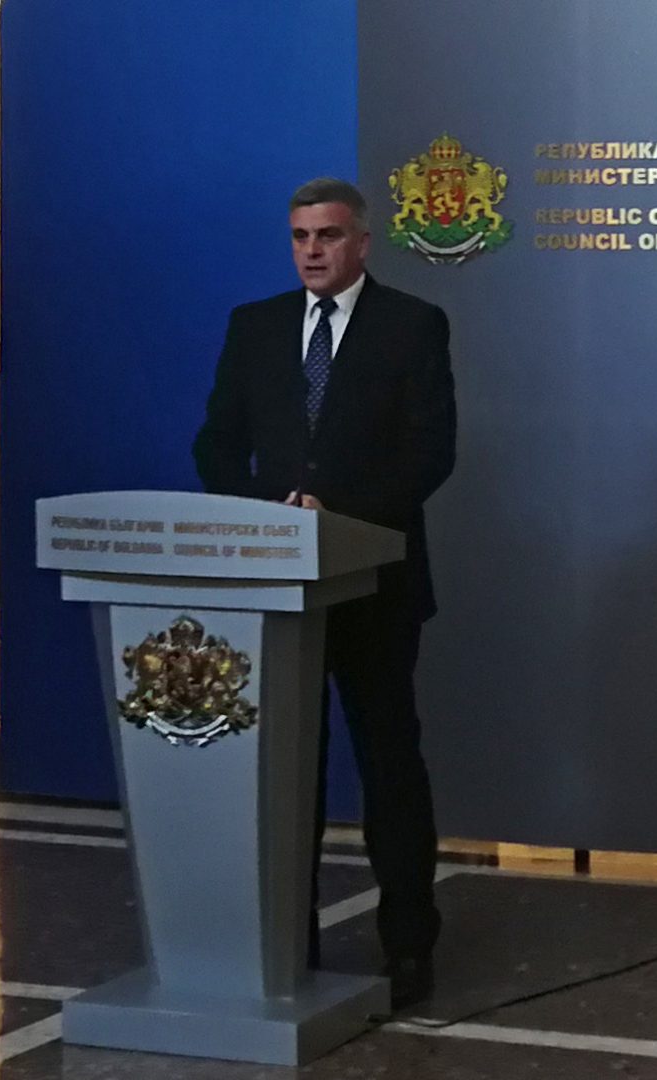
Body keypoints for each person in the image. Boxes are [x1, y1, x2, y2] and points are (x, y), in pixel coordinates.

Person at [193, 177, 456, 1007]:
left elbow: (431, 452)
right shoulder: (255, 325)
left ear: (362, 242)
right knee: (285, 775)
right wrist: (265, 516)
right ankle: (287, 943)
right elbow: (215, 445)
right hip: (276, 592)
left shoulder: (412, 324)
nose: (312, 250)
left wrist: (335, 517)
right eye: (300, 236)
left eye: (329, 236)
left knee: (389, 764)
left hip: (374, 586)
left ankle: (408, 947)